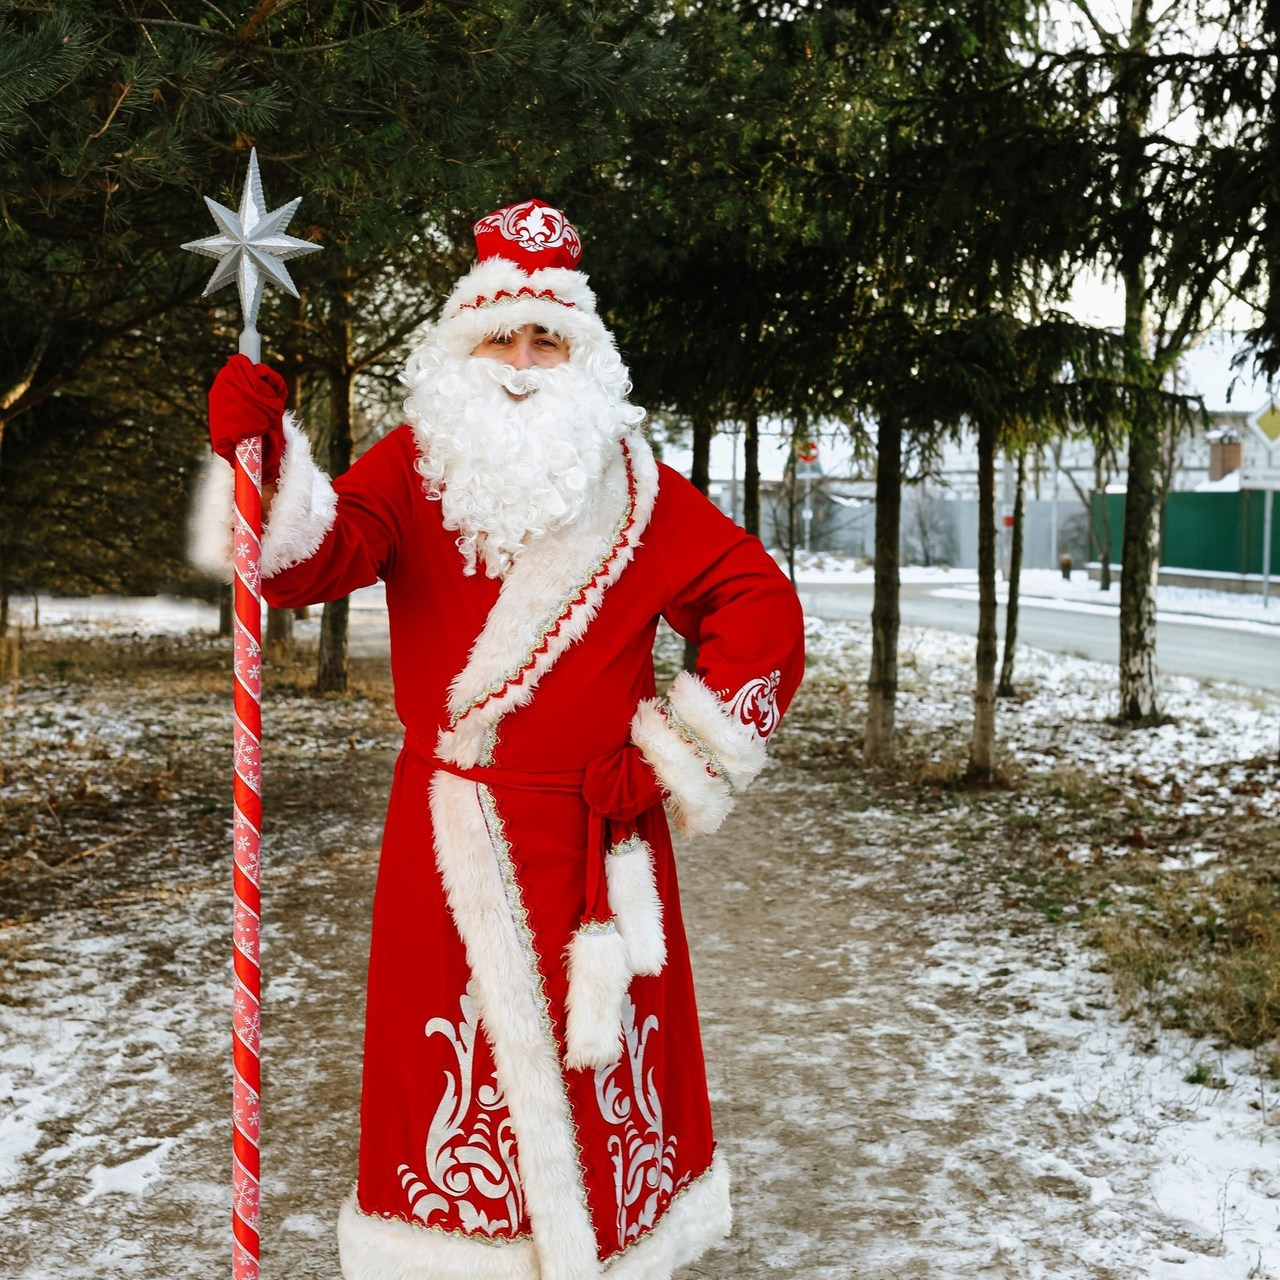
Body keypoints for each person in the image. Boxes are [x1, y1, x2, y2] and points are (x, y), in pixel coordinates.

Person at [191, 198, 806, 1280]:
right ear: (460, 342)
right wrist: (264, 457)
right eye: (500, 335)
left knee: (597, 1068)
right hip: (449, 836)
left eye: (545, 337)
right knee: (451, 1072)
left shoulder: (634, 486)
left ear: (580, 352)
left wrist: (674, 748)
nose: (521, 363)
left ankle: (610, 1250)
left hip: (595, 836)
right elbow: (300, 565)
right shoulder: (411, 464)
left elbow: (754, 599)